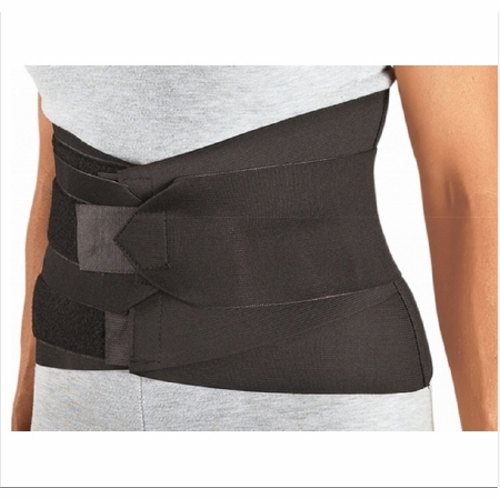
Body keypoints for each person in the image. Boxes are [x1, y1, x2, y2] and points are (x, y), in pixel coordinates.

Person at [11, 65, 497, 431]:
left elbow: (468, 189)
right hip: (76, 398)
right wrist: (29, 383)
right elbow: (64, 151)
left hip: (315, 405)